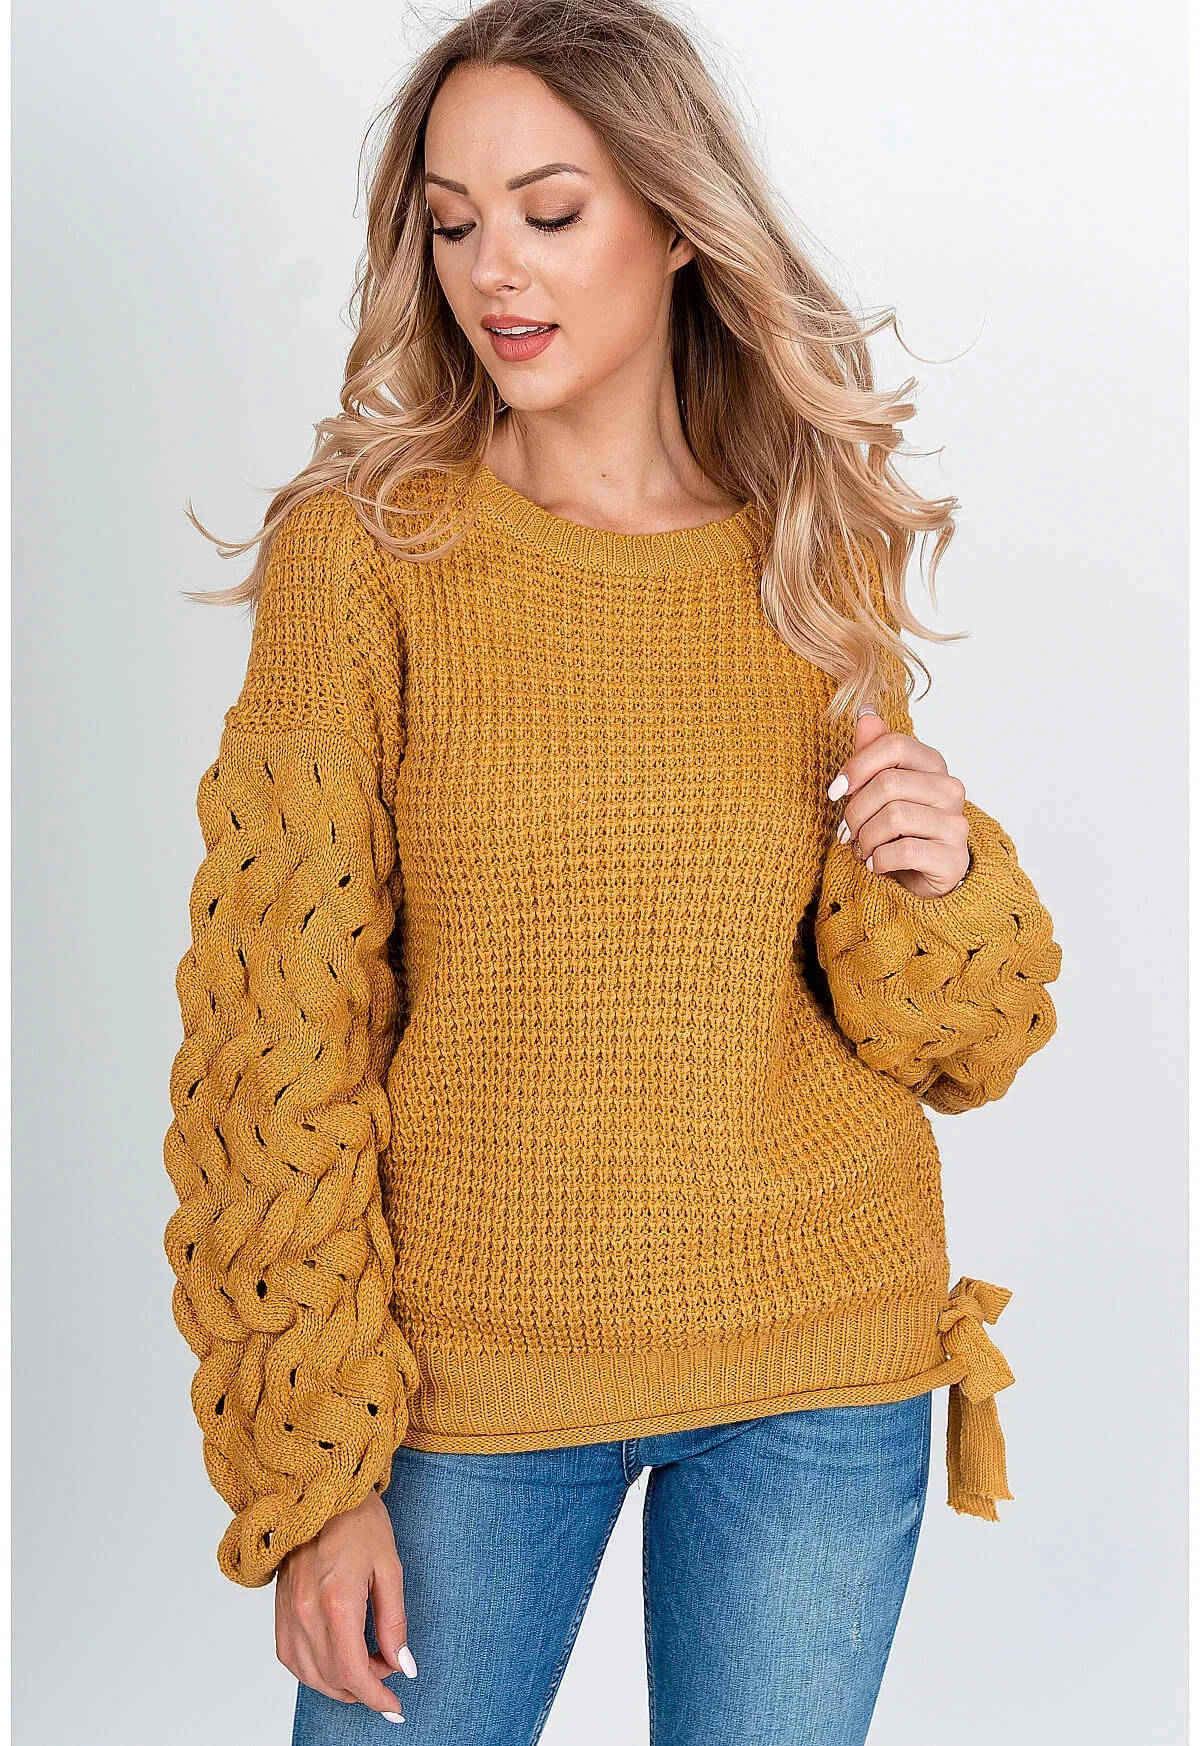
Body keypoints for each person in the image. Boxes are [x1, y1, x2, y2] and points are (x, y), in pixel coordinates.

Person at [160, 2, 1063, 1740]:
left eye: (550, 211)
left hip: (816, 1355)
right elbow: (274, 1038)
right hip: (464, 1388)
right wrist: (313, 1471)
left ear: (675, 220)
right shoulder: (365, 557)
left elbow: (952, 1036)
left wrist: (943, 873)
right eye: (452, 221)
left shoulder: (806, 544)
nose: (493, 269)